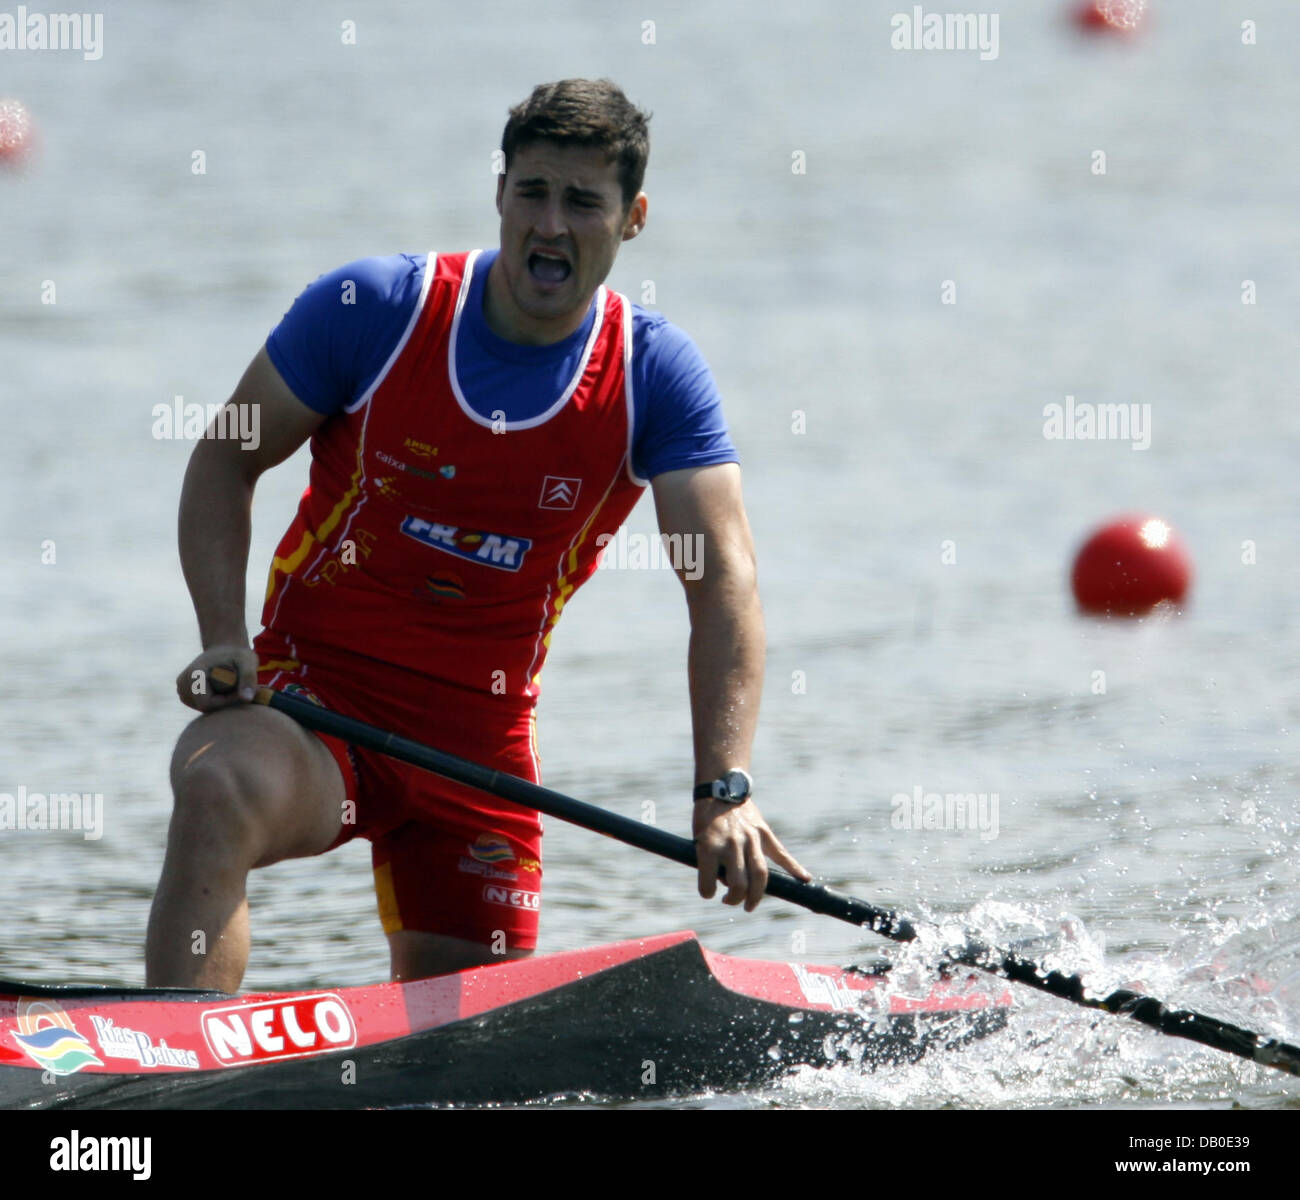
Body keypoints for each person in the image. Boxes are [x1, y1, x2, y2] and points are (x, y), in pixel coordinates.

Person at [145, 78, 809, 990]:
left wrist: (722, 790)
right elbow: (225, 461)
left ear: (634, 218)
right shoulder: (375, 310)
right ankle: (173, 1068)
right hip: (313, 705)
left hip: (482, 752)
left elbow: (724, 583)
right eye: (532, 192)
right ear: (499, 192)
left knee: (457, 1065)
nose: (550, 226)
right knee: (215, 783)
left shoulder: (656, 375)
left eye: (583, 202)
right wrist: (223, 635)